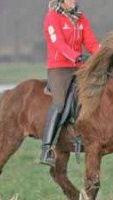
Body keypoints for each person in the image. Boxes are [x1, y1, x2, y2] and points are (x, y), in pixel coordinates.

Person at [40, 0, 100, 166]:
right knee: (59, 105)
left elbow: (92, 43)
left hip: (80, 67)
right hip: (59, 68)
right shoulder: (52, 17)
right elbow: (58, 44)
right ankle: (46, 149)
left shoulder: (81, 18)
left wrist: (104, 55)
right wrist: (76, 56)